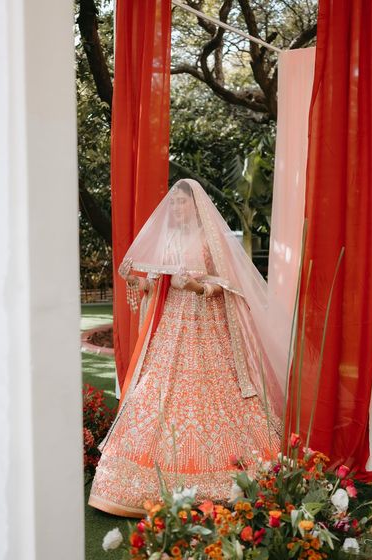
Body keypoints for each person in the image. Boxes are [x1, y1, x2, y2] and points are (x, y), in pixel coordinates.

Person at [89, 179, 285, 517]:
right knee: (156, 390)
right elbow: (158, 281)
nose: (178, 209)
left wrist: (199, 287)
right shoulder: (169, 240)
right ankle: (137, 483)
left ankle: (228, 477)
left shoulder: (210, 239)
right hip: (170, 328)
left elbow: (229, 285)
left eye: (183, 204)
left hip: (207, 326)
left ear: (195, 206)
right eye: (174, 204)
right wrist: (142, 283)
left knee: (213, 396)